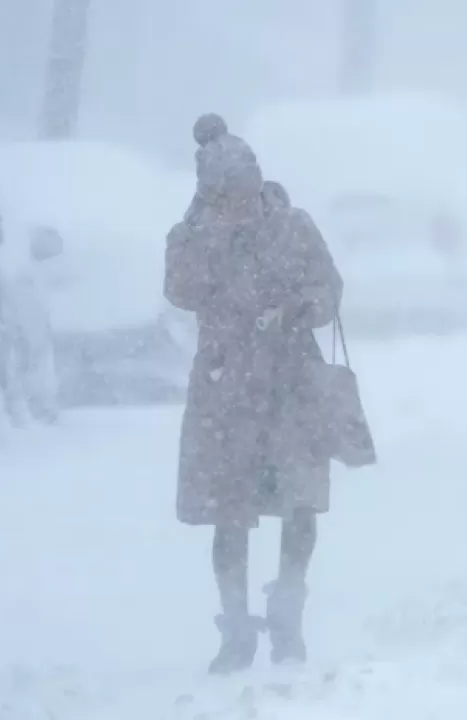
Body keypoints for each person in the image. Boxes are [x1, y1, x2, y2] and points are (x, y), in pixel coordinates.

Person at [164, 114, 343, 674]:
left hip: (292, 387)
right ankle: (236, 629)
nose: (238, 206)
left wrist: (295, 309)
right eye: (224, 197)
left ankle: (288, 616)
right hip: (226, 393)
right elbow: (180, 292)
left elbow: (328, 290)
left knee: (300, 503)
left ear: (257, 184)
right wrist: (204, 232)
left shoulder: (295, 227)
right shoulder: (193, 236)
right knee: (228, 514)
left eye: (243, 193)